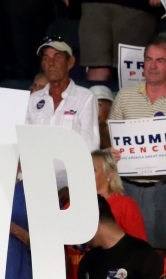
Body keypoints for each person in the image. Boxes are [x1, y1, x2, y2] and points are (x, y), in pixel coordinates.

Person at [109, 35, 166, 251]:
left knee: (160, 251)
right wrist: (111, 152)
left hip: (163, 186)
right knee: (127, 250)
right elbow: (111, 135)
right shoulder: (125, 96)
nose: (152, 66)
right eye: (149, 60)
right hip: (128, 185)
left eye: (160, 61)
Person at [25, 38, 100, 190]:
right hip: (36, 180)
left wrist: (72, 184)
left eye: (57, 57)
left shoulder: (85, 97)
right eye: (46, 58)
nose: (51, 63)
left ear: (70, 62)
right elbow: (25, 142)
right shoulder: (33, 99)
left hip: (70, 182)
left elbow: (90, 145)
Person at [92, 149, 147, 241]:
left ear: (109, 174)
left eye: (93, 170)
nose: (86, 173)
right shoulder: (72, 205)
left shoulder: (125, 205)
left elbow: (139, 247)